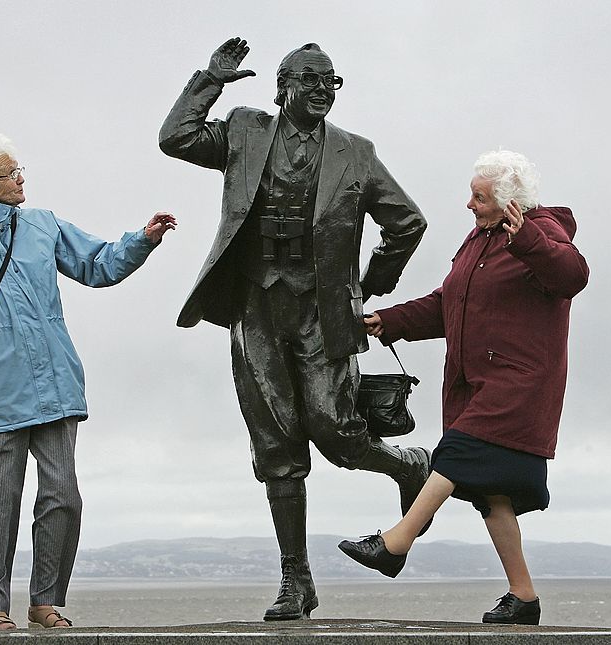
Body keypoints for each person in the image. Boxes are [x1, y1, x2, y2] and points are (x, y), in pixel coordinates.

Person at [159, 37, 430, 620]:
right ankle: (295, 578)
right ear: (283, 86)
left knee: (337, 433)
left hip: (319, 311)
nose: (323, 91)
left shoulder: (355, 152)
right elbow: (174, 138)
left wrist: (370, 284)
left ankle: (408, 465)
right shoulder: (245, 131)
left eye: (331, 81)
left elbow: (407, 221)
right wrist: (210, 79)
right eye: (311, 80)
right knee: (276, 445)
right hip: (255, 306)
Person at [0, 132, 176, 630]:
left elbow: (97, 264)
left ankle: (45, 601)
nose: (20, 180)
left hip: (56, 381)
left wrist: (142, 240)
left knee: (63, 495)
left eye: (21, 171)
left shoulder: (43, 224)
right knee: (0, 502)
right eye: (8, 174)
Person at [338, 150, 589, 626]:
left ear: (508, 201)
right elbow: (446, 304)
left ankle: (396, 543)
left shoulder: (542, 230)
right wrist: (387, 321)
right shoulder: (478, 241)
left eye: (479, 196)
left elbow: (572, 276)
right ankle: (524, 598)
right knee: (492, 495)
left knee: (454, 453)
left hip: (520, 382)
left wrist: (528, 239)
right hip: (476, 382)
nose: (468, 204)